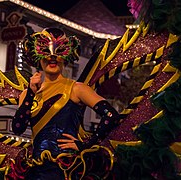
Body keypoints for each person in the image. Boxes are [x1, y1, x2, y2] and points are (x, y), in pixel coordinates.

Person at [10, 28, 120, 179]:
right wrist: (30, 93)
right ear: (37, 55)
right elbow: (17, 128)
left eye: (59, 52)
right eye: (46, 51)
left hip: (66, 169)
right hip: (36, 169)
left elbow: (111, 115)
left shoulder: (76, 88)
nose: (52, 57)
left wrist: (87, 144)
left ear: (66, 56)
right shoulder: (27, 94)